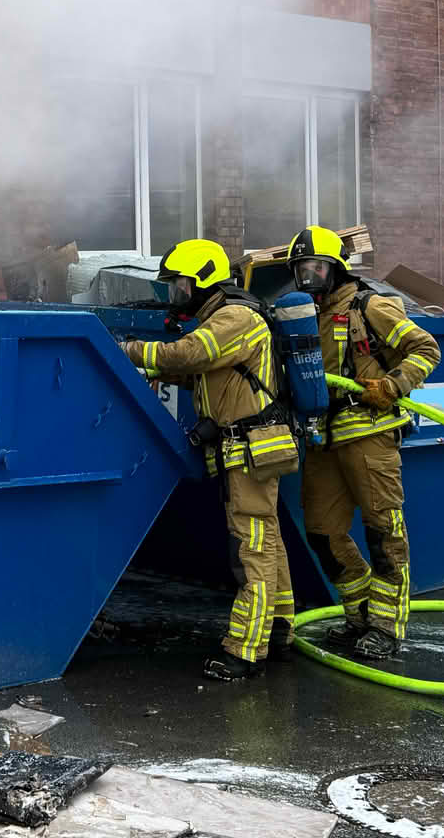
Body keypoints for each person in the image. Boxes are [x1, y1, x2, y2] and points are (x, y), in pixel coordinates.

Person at [119, 239, 300, 681]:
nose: (176, 294)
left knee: (252, 548)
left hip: (250, 448)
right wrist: (156, 371)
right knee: (266, 541)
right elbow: (200, 373)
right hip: (244, 448)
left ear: (203, 280)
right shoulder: (221, 319)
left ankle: (246, 651)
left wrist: (126, 351)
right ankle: (278, 630)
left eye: (181, 285)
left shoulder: (235, 317)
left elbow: (189, 354)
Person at [286, 225, 441, 660]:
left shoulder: (368, 306)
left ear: (336, 268)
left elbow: (426, 349)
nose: (308, 277)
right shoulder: (303, 316)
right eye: (301, 269)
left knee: (383, 531)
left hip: (369, 433)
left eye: (316, 268)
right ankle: (359, 615)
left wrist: (392, 385)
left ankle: (386, 627)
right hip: (322, 438)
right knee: (322, 533)